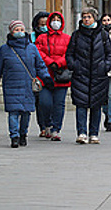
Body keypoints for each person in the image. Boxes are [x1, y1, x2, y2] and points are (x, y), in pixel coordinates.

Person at [0, 20, 53, 148]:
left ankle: (23, 134)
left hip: (27, 86)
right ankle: (14, 136)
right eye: (16, 30)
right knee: (13, 112)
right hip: (11, 85)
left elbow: (40, 65)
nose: (19, 32)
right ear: (11, 32)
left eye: (21, 30)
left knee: (26, 113)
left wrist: (46, 78)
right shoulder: (4, 49)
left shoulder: (32, 48)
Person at [66, 7, 111, 144]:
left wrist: (105, 66)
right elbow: (69, 53)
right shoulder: (76, 35)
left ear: (94, 18)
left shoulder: (103, 35)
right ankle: (82, 133)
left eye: (89, 17)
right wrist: (74, 65)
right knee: (81, 105)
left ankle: (94, 133)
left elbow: (110, 53)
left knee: (96, 105)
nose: (86, 19)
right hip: (81, 74)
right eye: (84, 17)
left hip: (98, 75)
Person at [34, 12, 71, 141]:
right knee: (45, 102)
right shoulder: (42, 38)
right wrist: (50, 62)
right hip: (45, 76)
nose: (56, 22)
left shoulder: (67, 38)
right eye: (53, 20)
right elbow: (38, 52)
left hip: (61, 75)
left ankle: (56, 129)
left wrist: (59, 63)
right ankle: (47, 124)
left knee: (59, 104)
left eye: (58, 20)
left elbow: (70, 53)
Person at [30, 11, 50, 137]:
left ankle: (50, 124)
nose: (43, 27)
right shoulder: (31, 38)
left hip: (52, 72)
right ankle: (42, 126)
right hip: (36, 74)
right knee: (40, 102)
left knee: (50, 101)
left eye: (46, 24)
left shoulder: (54, 37)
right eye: (41, 24)